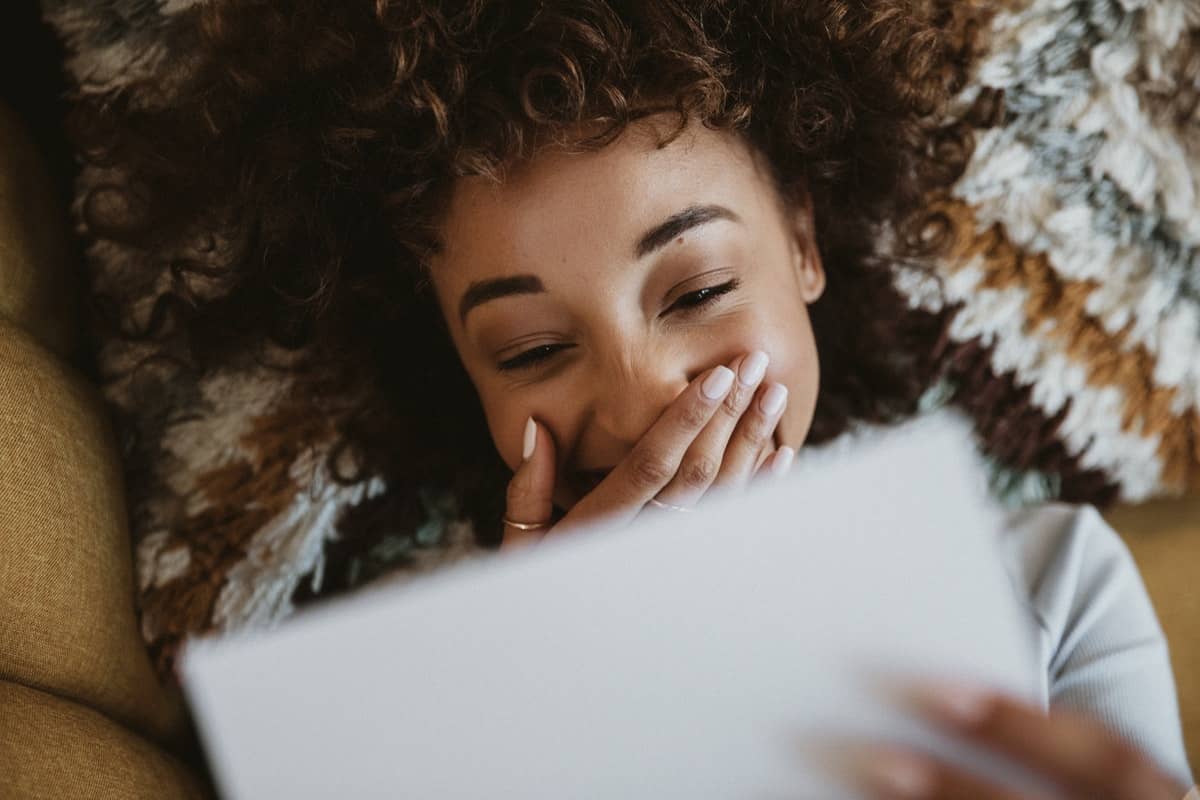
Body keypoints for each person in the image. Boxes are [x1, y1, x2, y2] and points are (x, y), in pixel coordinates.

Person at [74, 1, 1196, 796]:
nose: (641, 394)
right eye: (530, 347)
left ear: (802, 242)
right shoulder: (409, 718)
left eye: (699, 287)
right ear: (459, 379)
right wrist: (549, 674)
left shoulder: (1051, 583)